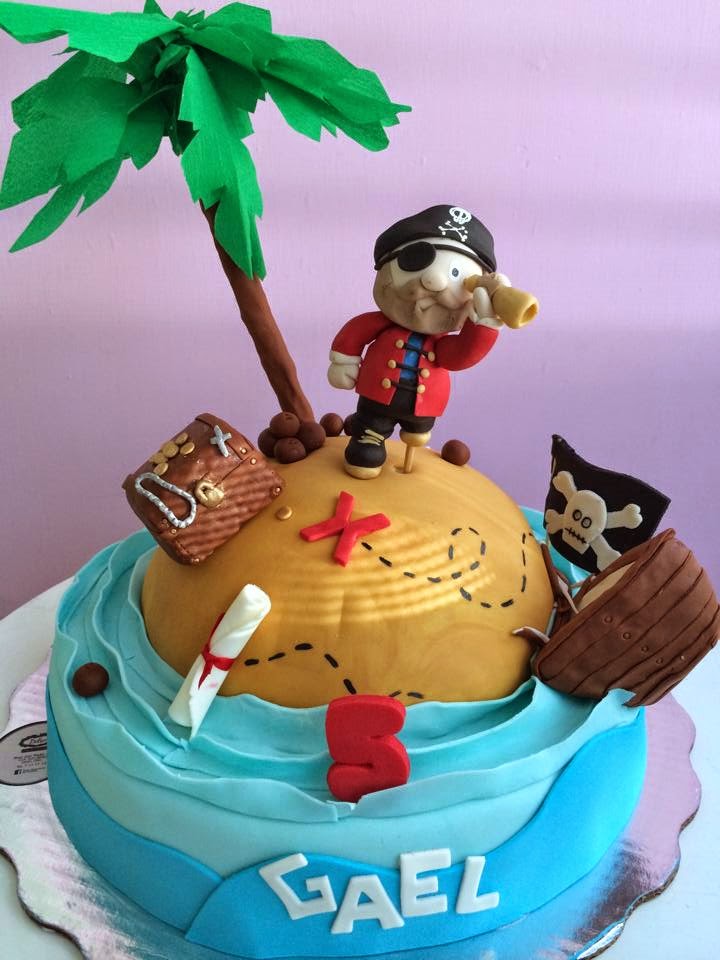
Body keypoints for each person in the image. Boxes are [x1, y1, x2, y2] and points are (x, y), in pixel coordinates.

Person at [328, 204, 508, 478]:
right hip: (376, 399)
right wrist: (344, 361)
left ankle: (416, 431)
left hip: (424, 406)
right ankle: (369, 441)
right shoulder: (379, 323)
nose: (435, 282)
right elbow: (355, 333)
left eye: (457, 275)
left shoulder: (442, 344)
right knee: (368, 436)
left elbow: (460, 354)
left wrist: (483, 325)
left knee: (417, 434)